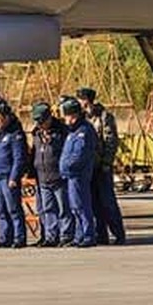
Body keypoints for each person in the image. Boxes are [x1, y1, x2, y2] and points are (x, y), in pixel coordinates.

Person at [78, 87, 127, 245]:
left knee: (107, 202)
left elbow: (111, 142)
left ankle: (118, 233)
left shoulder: (104, 117)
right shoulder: (82, 118)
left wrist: (106, 162)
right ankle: (101, 235)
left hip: (102, 167)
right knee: (93, 203)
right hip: (88, 167)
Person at [28, 101, 74, 247]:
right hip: (42, 176)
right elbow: (34, 152)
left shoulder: (62, 131)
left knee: (63, 207)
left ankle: (66, 234)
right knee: (47, 209)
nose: (39, 124)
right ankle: (50, 235)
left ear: (49, 118)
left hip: (58, 176)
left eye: (41, 121)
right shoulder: (36, 133)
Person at [0, 100, 28, 248]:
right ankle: (5, 237)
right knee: (0, 210)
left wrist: (14, 177)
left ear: (7, 117)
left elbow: (19, 158)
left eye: (0, 119)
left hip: (8, 177)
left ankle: (19, 237)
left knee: (13, 209)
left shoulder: (15, 134)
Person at [59, 97, 97, 248]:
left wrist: (67, 166)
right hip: (70, 175)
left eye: (66, 115)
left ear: (72, 115)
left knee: (81, 206)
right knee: (75, 207)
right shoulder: (72, 131)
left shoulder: (84, 131)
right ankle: (79, 235)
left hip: (78, 175)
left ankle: (88, 235)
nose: (64, 119)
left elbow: (79, 155)